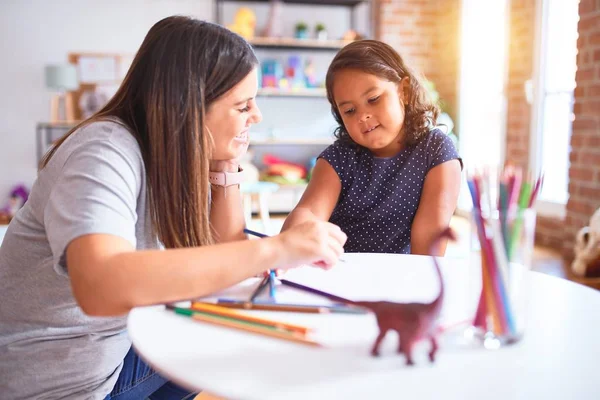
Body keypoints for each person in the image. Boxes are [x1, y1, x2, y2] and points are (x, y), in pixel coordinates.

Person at [0, 16, 346, 400]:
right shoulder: (103, 150)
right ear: (189, 107)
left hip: (110, 349)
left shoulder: (169, 156)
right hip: (60, 379)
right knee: (232, 337)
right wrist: (276, 249)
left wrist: (225, 167)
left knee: (227, 321)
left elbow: (222, 258)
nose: (257, 116)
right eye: (243, 105)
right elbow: (99, 285)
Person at [282, 40, 461, 256]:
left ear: (403, 91)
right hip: (340, 276)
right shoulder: (338, 158)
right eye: (349, 110)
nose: (363, 116)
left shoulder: (436, 150)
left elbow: (428, 244)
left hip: (406, 277)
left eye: (374, 99)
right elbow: (309, 212)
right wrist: (293, 236)